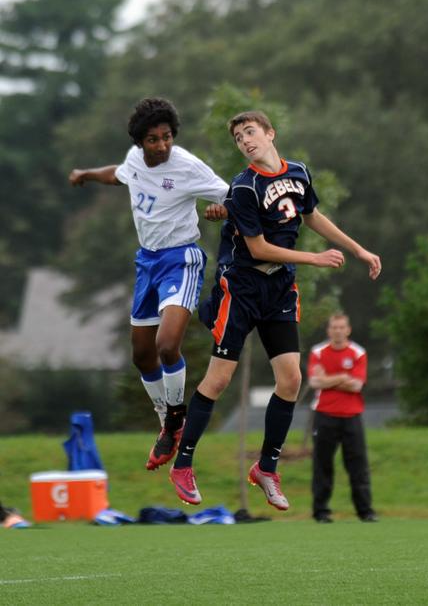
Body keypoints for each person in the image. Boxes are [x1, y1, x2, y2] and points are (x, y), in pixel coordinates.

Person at [169, 110, 381, 510]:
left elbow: (313, 215)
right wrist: (314, 259)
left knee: (290, 380)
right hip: (243, 287)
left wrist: (358, 249)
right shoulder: (244, 187)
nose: (245, 140)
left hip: (279, 288)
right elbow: (258, 249)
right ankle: (183, 463)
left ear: (270, 133)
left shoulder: (298, 173)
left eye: (250, 132)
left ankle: (266, 467)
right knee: (218, 381)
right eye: (238, 138)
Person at [69, 97, 228, 470]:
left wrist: (222, 210)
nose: (162, 145)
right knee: (142, 355)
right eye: (153, 139)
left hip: (181, 259)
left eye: (167, 137)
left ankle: (176, 418)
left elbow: (230, 195)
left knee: (167, 344)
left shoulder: (187, 166)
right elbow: (120, 174)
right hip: (147, 262)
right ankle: (166, 421)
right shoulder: (135, 159)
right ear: (140, 141)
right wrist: (87, 174)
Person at [308, 312, 378, 523]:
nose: (337, 331)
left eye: (341, 327)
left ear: (348, 330)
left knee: (358, 465)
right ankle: (321, 512)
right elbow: (315, 382)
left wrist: (328, 379)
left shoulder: (358, 353)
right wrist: (342, 377)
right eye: (334, 327)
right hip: (324, 415)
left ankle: (365, 511)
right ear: (328, 330)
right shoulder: (318, 352)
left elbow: (357, 385)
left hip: (352, 415)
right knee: (322, 465)